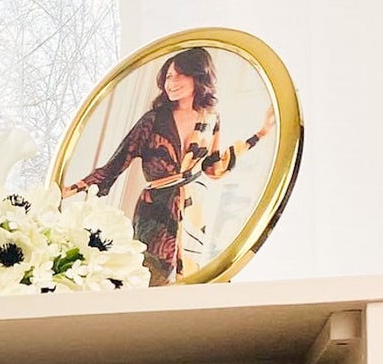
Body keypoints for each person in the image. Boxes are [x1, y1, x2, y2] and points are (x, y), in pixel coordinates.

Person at [64, 46, 275, 282]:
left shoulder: (210, 118)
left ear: (198, 76)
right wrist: (70, 189)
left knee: (191, 279)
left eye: (179, 75)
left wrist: (261, 134)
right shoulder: (153, 120)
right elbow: (117, 163)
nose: (171, 83)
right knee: (152, 276)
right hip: (154, 209)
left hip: (192, 210)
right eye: (168, 77)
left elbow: (213, 166)